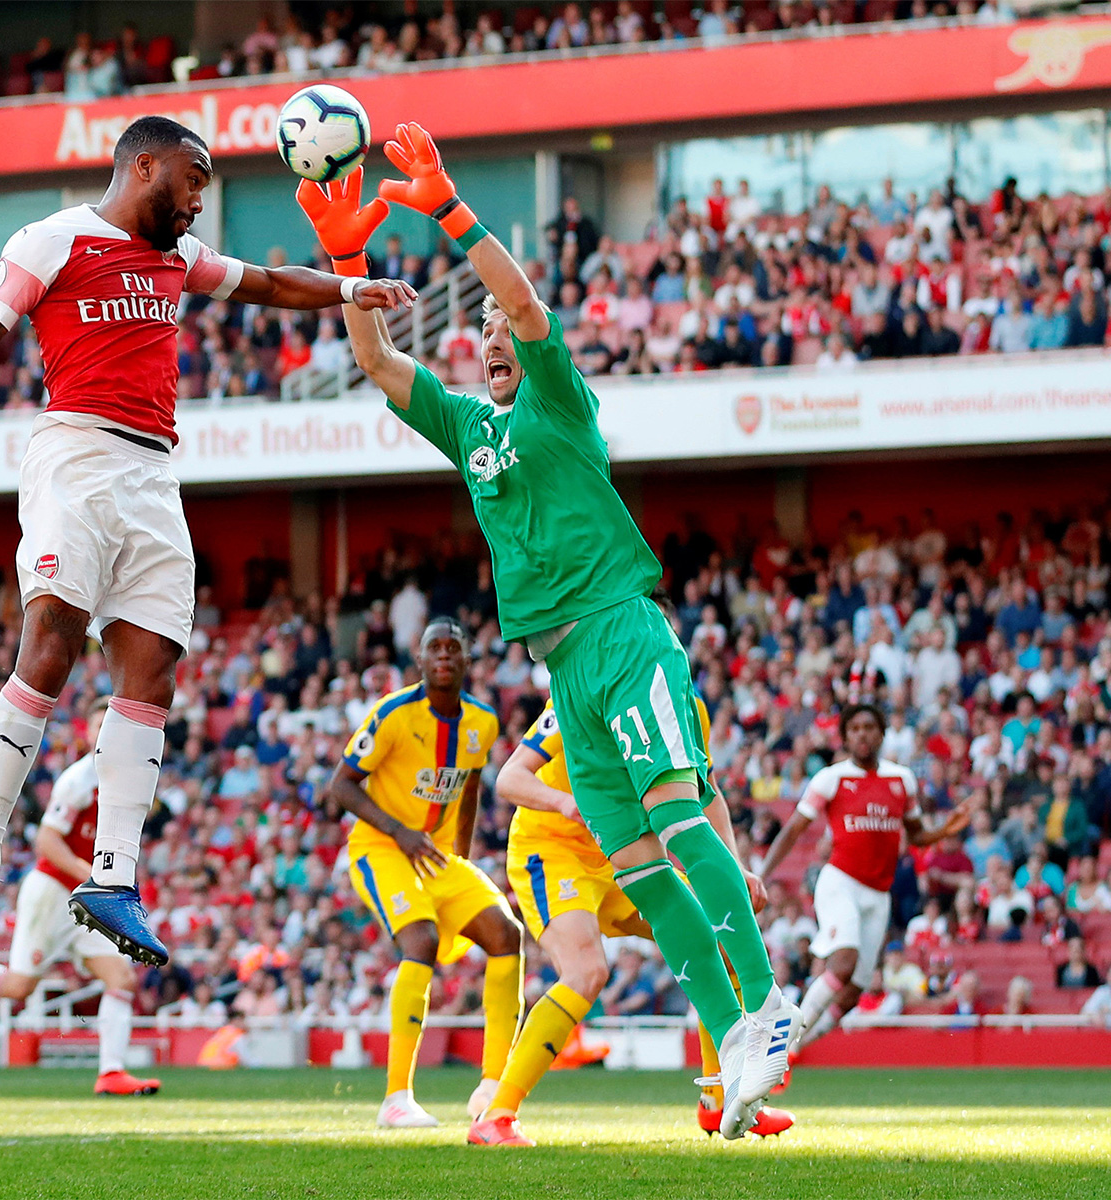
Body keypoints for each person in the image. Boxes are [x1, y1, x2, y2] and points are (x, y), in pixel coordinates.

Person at [298, 124, 794, 1140]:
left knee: (681, 817)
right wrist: (346, 262)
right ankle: (730, 1043)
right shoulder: (466, 429)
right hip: (564, 669)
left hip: (622, 631)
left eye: (495, 323)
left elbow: (523, 301)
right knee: (646, 871)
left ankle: (767, 1003)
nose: (488, 334)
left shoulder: (559, 400)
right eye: (475, 327)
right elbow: (378, 362)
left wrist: (446, 210)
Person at [0, 115, 414, 963]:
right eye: (194, 177)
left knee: (153, 671)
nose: (201, 198)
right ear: (144, 165)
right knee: (52, 637)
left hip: (154, 474)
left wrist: (353, 290)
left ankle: (114, 877)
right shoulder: (53, 239)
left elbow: (271, 285)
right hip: (77, 456)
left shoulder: (178, 261)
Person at [482, 693, 793, 1147]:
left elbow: (704, 792)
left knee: (720, 940)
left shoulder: (686, 705)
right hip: (554, 850)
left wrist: (734, 866)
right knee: (587, 970)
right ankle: (497, 1115)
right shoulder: (578, 691)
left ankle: (719, 1099)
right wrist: (564, 803)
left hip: (627, 853)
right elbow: (510, 778)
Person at [324, 618, 522, 1129]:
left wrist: (462, 852)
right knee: (422, 941)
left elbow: (472, 786)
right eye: (435, 646)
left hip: (435, 853)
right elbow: (340, 786)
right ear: (419, 658)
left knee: (506, 934)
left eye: (454, 648)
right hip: (381, 847)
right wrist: (400, 832)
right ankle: (397, 1098)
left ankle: (493, 1086)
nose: (444, 655)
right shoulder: (393, 713)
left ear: (468, 660)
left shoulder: (482, 721)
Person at [0, 698, 161, 1097]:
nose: (105, 734)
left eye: (111, 727)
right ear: (88, 733)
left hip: (86, 898)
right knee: (18, 988)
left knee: (121, 977)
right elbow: (47, 842)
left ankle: (111, 1073)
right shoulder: (78, 780)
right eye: (99, 726)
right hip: (53, 892)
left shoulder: (121, 780)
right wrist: (94, 876)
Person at [759, 703, 974, 1051]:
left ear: (882, 733)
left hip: (879, 894)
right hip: (840, 881)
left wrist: (944, 830)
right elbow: (794, 829)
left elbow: (916, 835)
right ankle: (779, 1046)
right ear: (845, 736)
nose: (862, 734)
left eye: (870, 727)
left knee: (853, 993)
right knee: (842, 963)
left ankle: (794, 1050)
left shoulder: (901, 780)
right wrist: (761, 874)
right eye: (855, 728)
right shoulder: (832, 778)